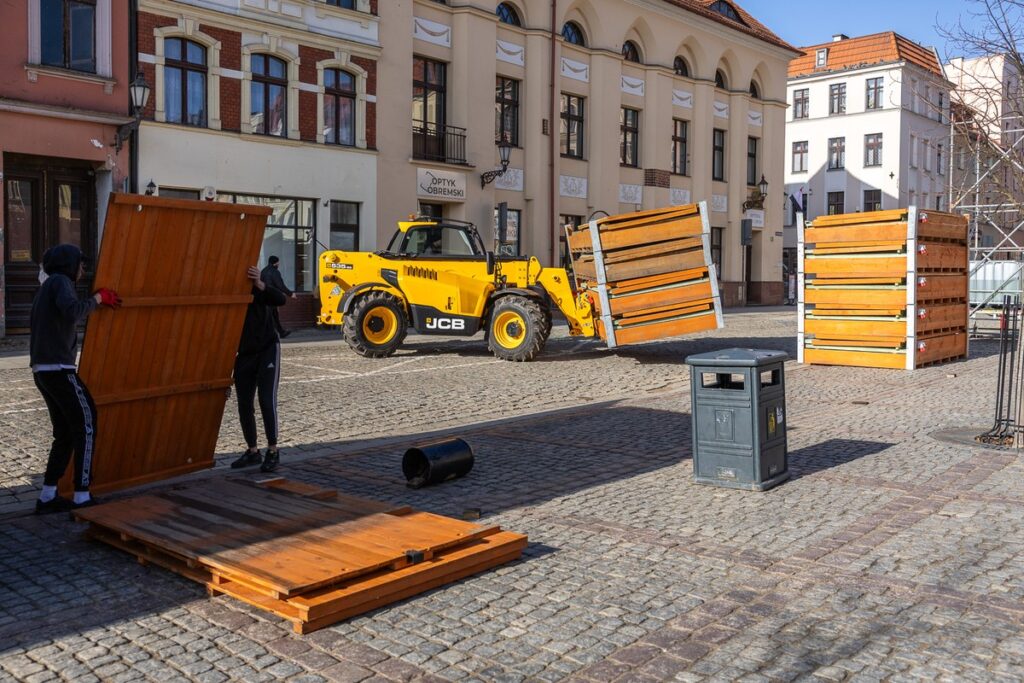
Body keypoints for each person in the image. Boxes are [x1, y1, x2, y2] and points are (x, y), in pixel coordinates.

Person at [30, 244, 121, 514]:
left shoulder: (47, 286)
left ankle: (48, 495)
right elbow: (72, 311)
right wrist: (98, 299)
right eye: (80, 264)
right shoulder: (61, 282)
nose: (82, 269)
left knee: (65, 432)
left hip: (44, 370)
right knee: (87, 424)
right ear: (69, 265)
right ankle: (82, 495)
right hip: (59, 369)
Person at [231, 266, 287, 473]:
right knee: (244, 403)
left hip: (267, 349)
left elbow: (280, 299)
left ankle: (273, 450)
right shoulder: (229, 291)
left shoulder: (256, 286)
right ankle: (253, 451)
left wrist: (260, 284)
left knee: (266, 399)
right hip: (244, 353)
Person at [260, 256, 296, 339]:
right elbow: (280, 285)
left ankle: (280, 332)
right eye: (278, 262)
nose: (278, 264)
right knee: (272, 316)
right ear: (275, 263)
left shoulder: (263, 271)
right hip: (272, 297)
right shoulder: (275, 272)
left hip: (264, 297)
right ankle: (276, 333)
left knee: (272, 316)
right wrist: (290, 294)